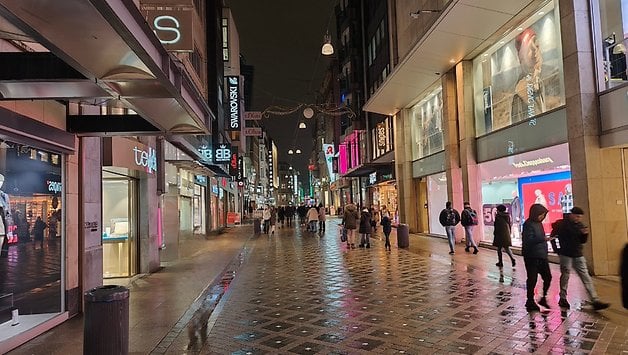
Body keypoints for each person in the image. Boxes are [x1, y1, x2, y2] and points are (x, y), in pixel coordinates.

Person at [550, 207, 609, 310]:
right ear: (571, 214)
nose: (578, 219)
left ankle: (595, 300)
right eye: (577, 216)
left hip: (578, 254)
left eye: (580, 217)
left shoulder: (580, 225)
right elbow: (552, 237)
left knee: (586, 276)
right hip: (566, 255)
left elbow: (582, 241)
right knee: (565, 276)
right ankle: (563, 298)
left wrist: (585, 235)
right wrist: (557, 250)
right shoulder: (561, 224)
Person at [522, 203, 552, 312]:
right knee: (532, 279)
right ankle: (530, 300)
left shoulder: (539, 224)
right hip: (531, 256)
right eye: (541, 215)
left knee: (548, 277)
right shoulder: (528, 224)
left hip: (542, 256)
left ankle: (543, 297)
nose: (542, 217)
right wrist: (543, 239)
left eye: (543, 215)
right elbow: (528, 240)